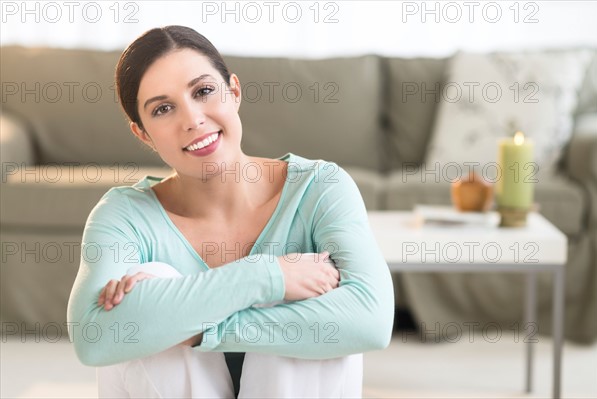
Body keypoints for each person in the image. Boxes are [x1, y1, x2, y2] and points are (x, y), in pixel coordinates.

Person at [66, 25, 394, 398]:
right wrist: (265, 274)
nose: (192, 119)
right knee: (157, 278)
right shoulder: (124, 214)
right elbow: (94, 337)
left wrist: (195, 327)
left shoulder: (320, 187)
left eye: (203, 91)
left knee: (304, 291)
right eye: (163, 109)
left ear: (234, 91)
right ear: (143, 134)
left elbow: (372, 319)